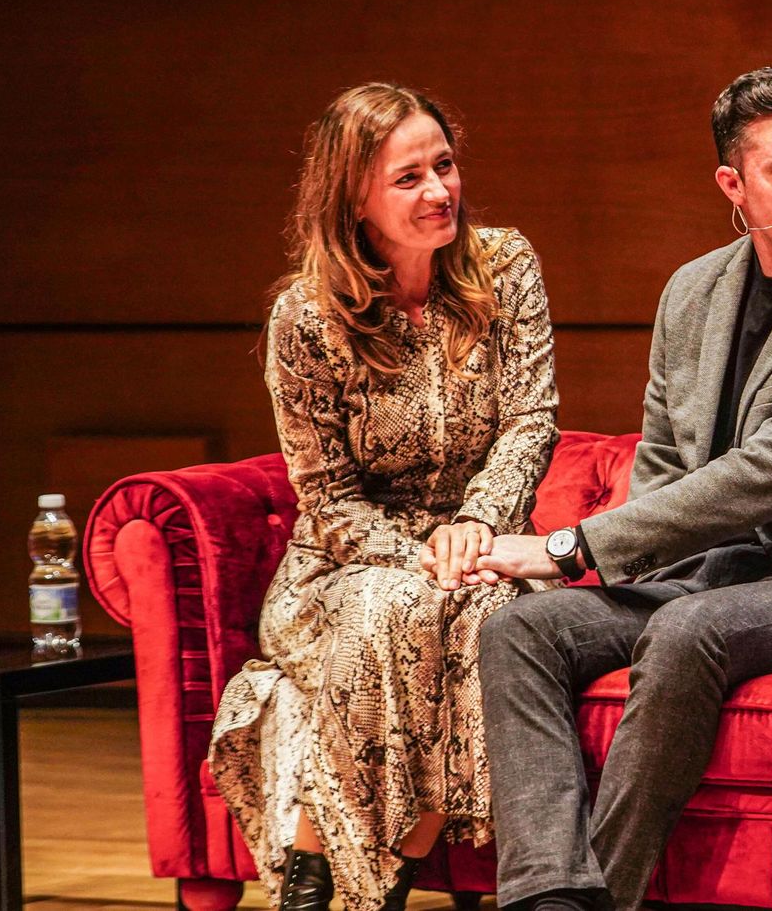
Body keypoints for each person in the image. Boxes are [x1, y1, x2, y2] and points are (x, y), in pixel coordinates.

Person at [448, 67, 772, 911]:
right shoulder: (692, 292)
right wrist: (601, 573)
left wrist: (569, 548)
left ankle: (605, 895)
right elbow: (668, 469)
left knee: (688, 629)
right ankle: (547, 895)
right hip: (716, 570)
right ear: (733, 183)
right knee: (521, 629)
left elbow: (756, 479)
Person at [208, 83, 560, 911]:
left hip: (486, 545)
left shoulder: (506, 266)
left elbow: (530, 421)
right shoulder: (305, 317)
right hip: (343, 566)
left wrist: (475, 527)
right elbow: (327, 498)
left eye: (445, 165)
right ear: (354, 196)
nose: (440, 190)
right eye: (410, 177)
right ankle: (358, 878)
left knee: (495, 622)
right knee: (392, 609)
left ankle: (341, 877)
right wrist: (425, 555)